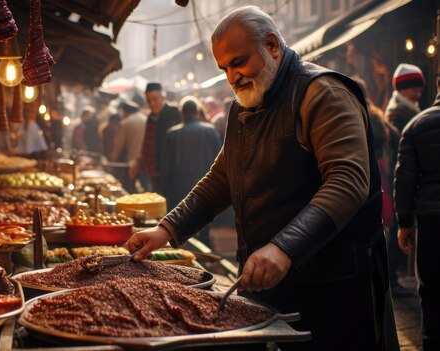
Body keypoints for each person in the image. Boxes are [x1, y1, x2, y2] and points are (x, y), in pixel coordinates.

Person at [125, 6, 397, 350]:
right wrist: (166, 230)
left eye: (238, 62)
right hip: (272, 286)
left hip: (334, 286)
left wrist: (284, 248)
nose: (232, 77)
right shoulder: (243, 107)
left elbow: (347, 181)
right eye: (224, 68)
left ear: (271, 46)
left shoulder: (322, 93)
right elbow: (221, 179)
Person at [394, 71, 440, 351]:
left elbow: (405, 179)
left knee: (432, 288)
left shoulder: (415, 125)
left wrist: (404, 223)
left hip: (432, 219)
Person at [384, 63, 425, 296]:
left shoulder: (406, 110)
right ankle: (391, 277)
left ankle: (392, 277)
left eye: (419, 89)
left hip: (400, 176)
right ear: (402, 89)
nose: (417, 93)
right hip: (398, 177)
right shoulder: (399, 114)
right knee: (401, 225)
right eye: (413, 89)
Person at [161, 96, 221, 246]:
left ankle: (185, 248)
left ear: (182, 113)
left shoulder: (172, 133)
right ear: (197, 111)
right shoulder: (210, 131)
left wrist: (166, 187)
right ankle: (205, 247)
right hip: (206, 183)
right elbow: (219, 159)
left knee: (182, 222)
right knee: (205, 218)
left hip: (179, 184)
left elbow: (166, 165)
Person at [130, 83, 181, 193]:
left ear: (163, 96)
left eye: (155, 99)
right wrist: (138, 162)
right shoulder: (150, 118)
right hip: (154, 173)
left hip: (173, 172)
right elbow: (147, 143)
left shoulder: (174, 112)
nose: (152, 104)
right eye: (148, 101)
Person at [110, 100, 146, 193]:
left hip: (130, 163)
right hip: (145, 162)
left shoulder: (125, 123)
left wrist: (113, 160)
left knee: (130, 190)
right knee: (145, 190)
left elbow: (118, 145)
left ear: (125, 111)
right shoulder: (146, 119)